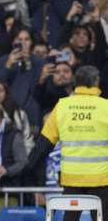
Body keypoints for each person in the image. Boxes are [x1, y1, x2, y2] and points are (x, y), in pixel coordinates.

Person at [28, 66, 108, 221]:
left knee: (70, 217)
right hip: (101, 178)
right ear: (96, 82)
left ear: (75, 82)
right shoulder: (105, 107)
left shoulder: (62, 106)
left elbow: (43, 144)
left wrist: (28, 168)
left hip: (72, 177)